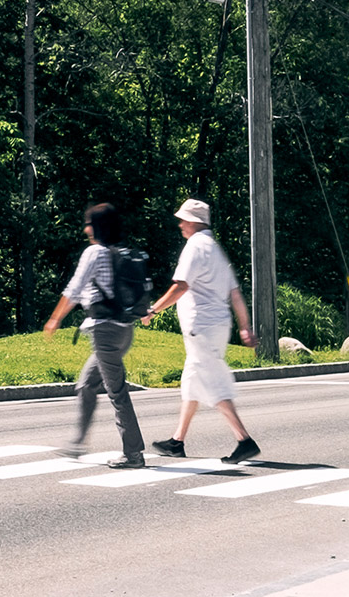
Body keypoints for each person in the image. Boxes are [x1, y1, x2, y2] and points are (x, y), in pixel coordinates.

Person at [142, 197, 259, 463]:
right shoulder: (215, 250)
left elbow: (181, 286)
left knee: (212, 383)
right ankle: (177, 441)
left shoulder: (195, 246)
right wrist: (244, 327)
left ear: (194, 222)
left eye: (183, 219)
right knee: (192, 383)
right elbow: (235, 293)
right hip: (217, 326)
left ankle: (244, 439)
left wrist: (153, 310)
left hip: (201, 326)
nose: (180, 224)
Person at [40, 201, 146, 469]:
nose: (85, 227)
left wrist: (54, 319)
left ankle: (133, 454)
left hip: (105, 332)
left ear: (95, 226)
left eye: (88, 222)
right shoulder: (118, 252)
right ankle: (77, 444)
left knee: (117, 392)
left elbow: (74, 290)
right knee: (86, 385)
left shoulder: (94, 253)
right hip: (123, 331)